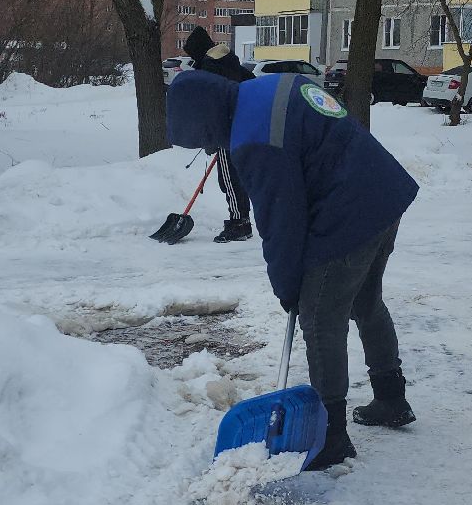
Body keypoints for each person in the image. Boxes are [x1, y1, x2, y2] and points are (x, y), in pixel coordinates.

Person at [165, 67, 419, 470]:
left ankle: (331, 437)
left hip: (348, 214)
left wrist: (288, 288)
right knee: (366, 301)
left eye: (206, 140)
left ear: (207, 119)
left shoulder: (255, 140)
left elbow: (282, 221)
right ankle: (390, 396)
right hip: (383, 192)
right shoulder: (268, 86)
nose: (213, 149)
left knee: (320, 320)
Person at [182, 27, 253, 242]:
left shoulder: (210, 66)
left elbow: (212, 103)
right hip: (244, 125)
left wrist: (212, 135)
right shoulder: (229, 61)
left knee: (229, 178)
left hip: (226, 130)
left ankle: (239, 223)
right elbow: (251, 83)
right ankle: (241, 221)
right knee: (236, 177)